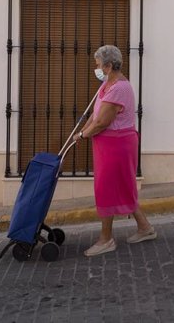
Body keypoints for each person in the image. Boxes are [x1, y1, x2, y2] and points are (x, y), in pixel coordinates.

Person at [73, 45, 156, 257]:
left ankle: (106, 239)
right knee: (122, 185)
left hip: (116, 144)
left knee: (107, 188)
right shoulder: (107, 85)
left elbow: (102, 122)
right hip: (108, 144)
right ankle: (145, 228)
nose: (97, 68)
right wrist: (81, 132)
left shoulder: (119, 88)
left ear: (109, 66)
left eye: (99, 65)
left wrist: (84, 135)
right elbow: (95, 115)